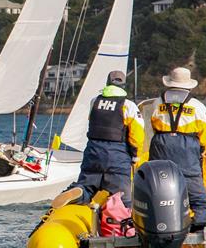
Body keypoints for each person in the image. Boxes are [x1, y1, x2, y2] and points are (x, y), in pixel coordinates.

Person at [52, 70, 144, 209]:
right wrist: (135, 157)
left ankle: (80, 191)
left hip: (93, 151)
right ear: (124, 86)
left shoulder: (94, 101)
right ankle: (121, 222)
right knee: (122, 198)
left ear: (107, 83)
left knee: (88, 185)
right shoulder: (129, 106)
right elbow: (136, 135)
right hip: (117, 156)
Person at [148, 67, 206, 222]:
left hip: (161, 146)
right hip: (187, 149)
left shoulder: (158, 102)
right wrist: (201, 149)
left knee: (160, 189)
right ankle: (201, 227)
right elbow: (205, 135)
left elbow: (153, 125)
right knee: (199, 200)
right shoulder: (197, 105)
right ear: (189, 85)